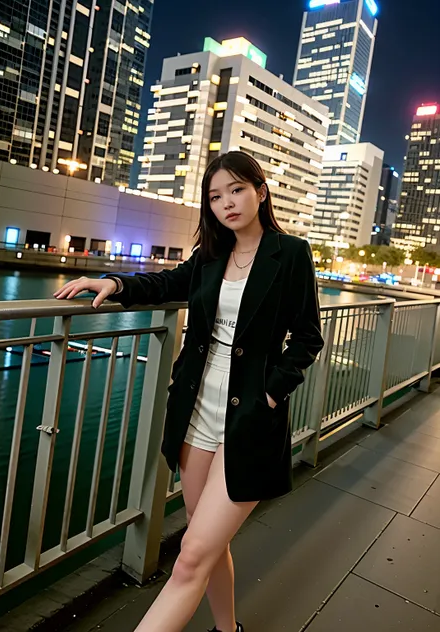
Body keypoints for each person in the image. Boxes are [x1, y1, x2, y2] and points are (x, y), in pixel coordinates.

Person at [54, 151, 324, 632]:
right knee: (207, 542)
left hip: (250, 417)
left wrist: (271, 392)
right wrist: (113, 281)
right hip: (197, 410)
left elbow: (307, 338)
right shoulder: (210, 256)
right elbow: (164, 283)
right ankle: (228, 630)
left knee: (188, 557)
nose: (227, 203)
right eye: (216, 196)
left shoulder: (291, 254)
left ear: (261, 192)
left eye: (237, 190)